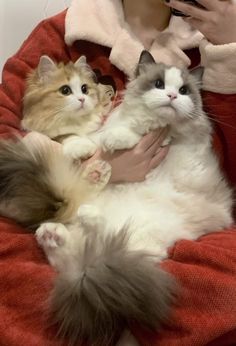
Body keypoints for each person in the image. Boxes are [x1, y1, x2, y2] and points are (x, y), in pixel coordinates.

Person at [0, 0, 235, 345]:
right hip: (74, 210)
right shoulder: (63, 32)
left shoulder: (218, 35)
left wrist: (230, 49)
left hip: (185, 225)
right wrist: (96, 166)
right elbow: (6, 143)